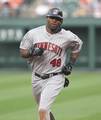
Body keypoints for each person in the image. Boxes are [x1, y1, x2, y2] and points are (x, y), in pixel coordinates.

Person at [19, 8, 83, 120]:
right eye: (52, 18)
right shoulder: (33, 33)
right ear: (47, 18)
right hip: (36, 77)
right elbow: (22, 51)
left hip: (56, 77)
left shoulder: (67, 36)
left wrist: (70, 64)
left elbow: (78, 46)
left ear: (61, 21)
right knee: (44, 110)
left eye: (58, 19)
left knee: (42, 110)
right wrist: (31, 52)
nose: (54, 20)